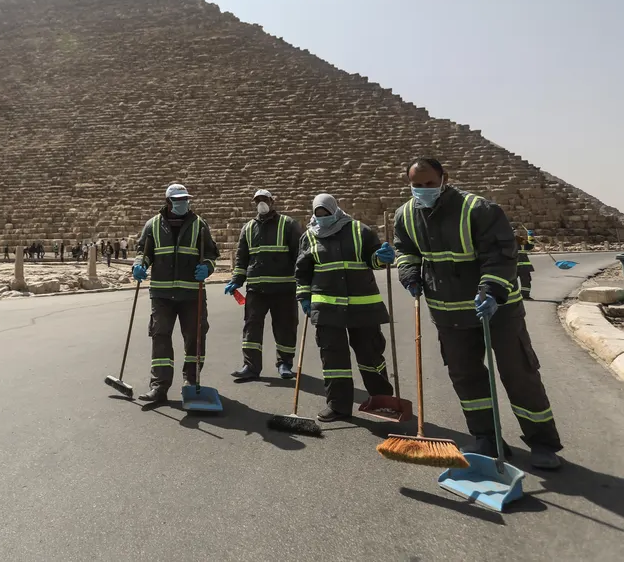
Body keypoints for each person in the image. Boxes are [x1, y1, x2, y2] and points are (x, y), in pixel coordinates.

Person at [395, 157, 562, 469]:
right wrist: (410, 274)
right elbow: (406, 250)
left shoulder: (478, 210)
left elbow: (500, 254)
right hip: (448, 312)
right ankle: (486, 436)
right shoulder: (405, 215)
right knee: (465, 376)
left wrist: (492, 291)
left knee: (518, 373)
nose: (423, 190)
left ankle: (542, 442)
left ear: (445, 178)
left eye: (430, 184)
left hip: (495, 309)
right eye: (417, 185)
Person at [295, 193, 396, 421]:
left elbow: (373, 258)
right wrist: (303, 297)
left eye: (326, 214)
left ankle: (383, 401)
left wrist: (382, 258)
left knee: (371, 355)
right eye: (318, 214)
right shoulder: (309, 236)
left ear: (335, 210)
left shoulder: (360, 230)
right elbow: (302, 272)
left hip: (363, 307)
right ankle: (338, 406)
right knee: (333, 360)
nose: (322, 218)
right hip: (326, 309)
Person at [132, 183, 220, 403]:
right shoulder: (152, 225)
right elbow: (143, 252)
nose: (183, 203)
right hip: (161, 294)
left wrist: (207, 267)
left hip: (191, 293)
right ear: (168, 202)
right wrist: (139, 265)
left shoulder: (200, 224)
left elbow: (211, 253)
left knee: (195, 338)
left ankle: (191, 381)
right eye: (178, 200)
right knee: (160, 336)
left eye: (185, 199)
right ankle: (159, 387)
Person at [225, 189, 303, 381]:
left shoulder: (288, 224)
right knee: (251, 327)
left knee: (285, 326)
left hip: (283, 288)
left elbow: (300, 256)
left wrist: (304, 285)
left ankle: (285, 363)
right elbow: (242, 259)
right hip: (256, 289)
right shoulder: (248, 228)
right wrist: (236, 279)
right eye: (258, 200)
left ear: (272, 201)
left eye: (264, 199)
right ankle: (250, 367)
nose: (261, 203)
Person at [516, 228, 535, 299]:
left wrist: (531, 237)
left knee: (526, 282)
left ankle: (525, 296)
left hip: (522, 266)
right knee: (511, 283)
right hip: (515, 266)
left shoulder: (521, 241)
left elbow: (530, 246)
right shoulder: (507, 241)